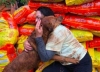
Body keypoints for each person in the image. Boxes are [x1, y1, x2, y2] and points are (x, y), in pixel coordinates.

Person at [24, 6, 92, 72]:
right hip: (65, 64)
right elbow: (33, 38)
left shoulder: (58, 32)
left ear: (47, 18)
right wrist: (27, 42)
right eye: (36, 18)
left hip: (81, 63)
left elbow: (45, 57)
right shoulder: (45, 28)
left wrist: (38, 38)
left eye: (38, 18)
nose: (36, 21)